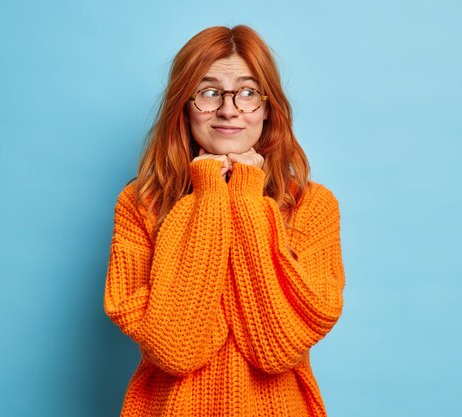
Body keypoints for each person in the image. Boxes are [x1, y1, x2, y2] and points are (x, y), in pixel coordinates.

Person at [103, 24, 346, 417]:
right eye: (209, 92)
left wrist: (247, 194)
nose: (229, 109)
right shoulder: (139, 205)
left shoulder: (313, 206)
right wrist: (210, 194)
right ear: (184, 104)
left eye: (248, 93)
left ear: (268, 108)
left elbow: (277, 348)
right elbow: (175, 348)